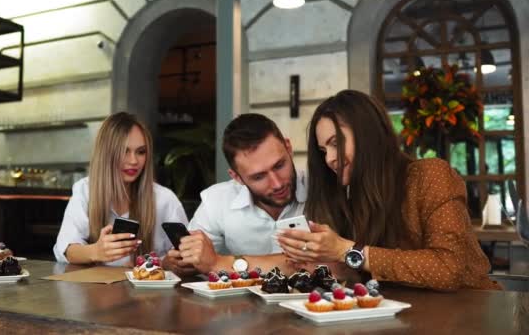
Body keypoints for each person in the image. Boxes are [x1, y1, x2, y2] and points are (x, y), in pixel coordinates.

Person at [277, 90, 499, 291]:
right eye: (323, 150)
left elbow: (447, 269)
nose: (329, 159)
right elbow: (379, 273)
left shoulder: (430, 175)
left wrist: (345, 250)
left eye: (336, 143)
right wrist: (332, 264)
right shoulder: (355, 196)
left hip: (471, 315)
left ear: (368, 134)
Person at [166, 113, 307, 275]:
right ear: (236, 177)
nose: (277, 183)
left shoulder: (325, 189)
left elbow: (321, 265)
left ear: (288, 148)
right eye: (259, 176)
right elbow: (182, 263)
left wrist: (219, 262)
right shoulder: (218, 200)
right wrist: (179, 262)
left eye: (279, 165)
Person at [53, 112, 188, 267]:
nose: (133, 161)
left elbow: (184, 256)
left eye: (141, 152)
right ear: (107, 154)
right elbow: (66, 249)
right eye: (124, 151)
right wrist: (95, 251)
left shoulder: (165, 199)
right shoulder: (85, 190)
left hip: (147, 290)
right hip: (95, 289)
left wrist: (170, 262)